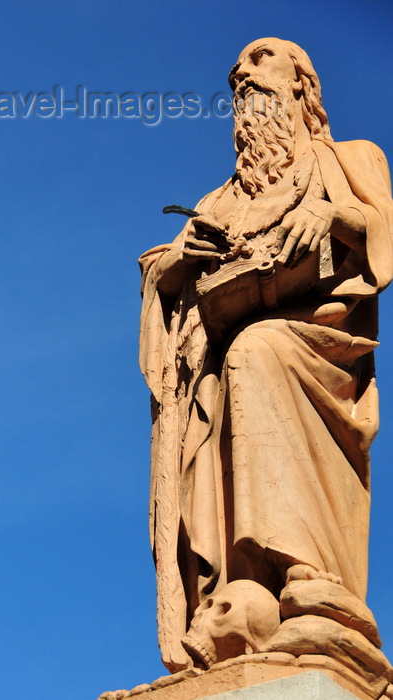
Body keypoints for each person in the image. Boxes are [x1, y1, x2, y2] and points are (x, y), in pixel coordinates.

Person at [139, 38, 393, 672]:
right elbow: (161, 271)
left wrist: (336, 217)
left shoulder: (348, 159)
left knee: (258, 349)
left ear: (302, 84)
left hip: (320, 346)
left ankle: (308, 575)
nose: (241, 74)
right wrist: (181, 261)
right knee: (235, 366)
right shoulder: (220, 201)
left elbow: (385, 231)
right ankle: (241, 596)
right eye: (236, 74)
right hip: (230, 361)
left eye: (259, 60)